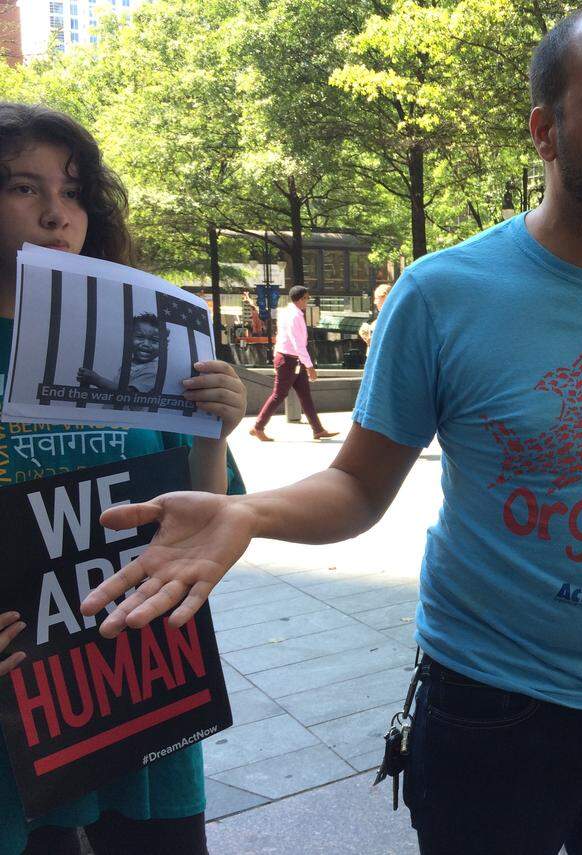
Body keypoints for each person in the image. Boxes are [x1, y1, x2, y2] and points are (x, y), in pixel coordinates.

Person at [80, 4, 582, 852]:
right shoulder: (442, 293)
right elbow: (360, 485)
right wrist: (249, 514)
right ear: (545, 132)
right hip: (489, 714)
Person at [0, 102, 247, 855]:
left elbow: (206, 516)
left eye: (73, 192)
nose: (55, 215)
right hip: (19, 710)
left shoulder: (137, 323)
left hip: (139, 686)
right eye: (22, 188)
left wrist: (216, 424)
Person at [249, 284, 338, 441]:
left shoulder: (287, 313)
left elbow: (284, 337)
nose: (308, 301)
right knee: (279, 394)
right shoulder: (295, 316)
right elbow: (298, 343)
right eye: (306, 298)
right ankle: (258, 427)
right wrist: (309, 366)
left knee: (304, 395)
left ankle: (317, 429)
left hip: (290, 359)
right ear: (301, 298)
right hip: (289, 360)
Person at [76, 311, 167, 395]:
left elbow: (129, 394)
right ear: (129, 338)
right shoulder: (130, 364)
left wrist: (97, 380)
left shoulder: (153, 370)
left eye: (154, 340)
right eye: (140, 337)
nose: (146, 344)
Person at [357, 282, 391, 354]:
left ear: (385, 297)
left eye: (376, 298)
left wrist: (368, 337)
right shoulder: (384, 316)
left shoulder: (389, 317)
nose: (375, 302)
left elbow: (382, 345)